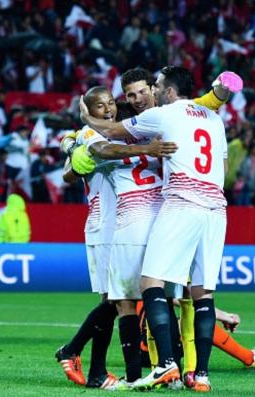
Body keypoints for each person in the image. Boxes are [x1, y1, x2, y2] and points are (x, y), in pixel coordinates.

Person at [81, 65, 229, 391]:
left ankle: (164, 366)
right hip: (216, 209)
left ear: (169, 91)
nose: (153, 93)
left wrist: (85, 120)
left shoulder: (164, 114)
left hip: (179, 205)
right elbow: (224, 166)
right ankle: (200, 375)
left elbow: (112, 133)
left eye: (156, 87)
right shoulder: (214, 119)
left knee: (150, 285)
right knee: (202, 293)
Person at [55, 90, 177, 389]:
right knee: (116, 301)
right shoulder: (90, 136)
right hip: (105, 224)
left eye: (111, 104)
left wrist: (68, 146)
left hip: (123, 223)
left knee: (116, 301)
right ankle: (77, 354)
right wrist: (73, 149)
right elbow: (70, 173)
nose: (108, 109)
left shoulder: (119, 135)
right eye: (100, 105)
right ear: (89, 110)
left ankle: (90, 365)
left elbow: (72, 158)